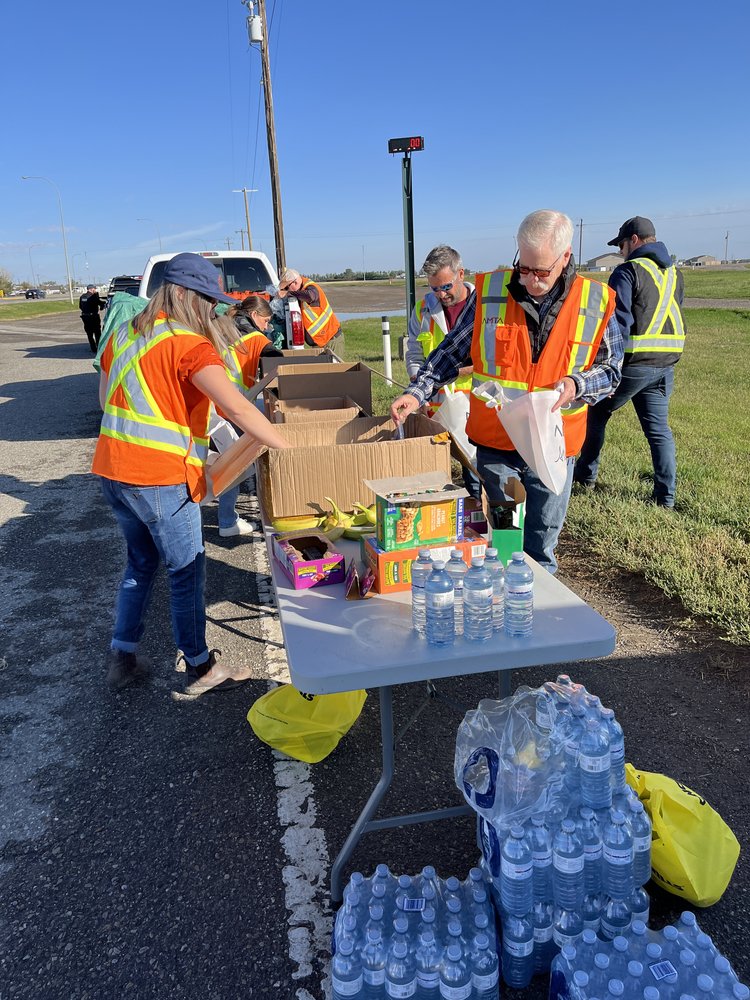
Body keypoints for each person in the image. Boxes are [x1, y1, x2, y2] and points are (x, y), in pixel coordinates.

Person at [92, 253, 291, 695]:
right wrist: (290, 451)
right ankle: (200, 668)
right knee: (187, 570)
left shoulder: (124, 334)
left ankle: (122, 654)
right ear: (182, 294)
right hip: (160, 478)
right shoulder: (189, 344)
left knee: (141, 563)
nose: (213, 309)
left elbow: (106, 401)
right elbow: (237, 409)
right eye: (208, 300)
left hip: (113, 470)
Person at [390, 210, 623, 573]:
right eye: (523, 267)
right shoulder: (492, 293)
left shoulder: (595, 301)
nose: (530, 280)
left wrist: (577, 384)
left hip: (553, 447)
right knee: (506, 540)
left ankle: (538, 597)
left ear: (565, 257)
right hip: (498, 445)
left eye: (541, 271)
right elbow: (450, 353)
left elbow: (611, 370)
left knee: (541, 543)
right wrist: (417, 392)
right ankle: (507, 591)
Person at [574, 217, 686, 508]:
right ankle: (666, 498)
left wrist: (608, 368)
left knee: (596, 414)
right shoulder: (674, 272)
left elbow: (617, 323)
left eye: (621, 245)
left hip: (633, 364)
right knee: (658, 431)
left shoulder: (627, 271)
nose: (620, 251)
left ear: (634, 240)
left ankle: (584, 477)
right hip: (665, 364)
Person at [405, 245, 481, 500]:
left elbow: (494, 359)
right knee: (436, 468)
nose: (441, 294)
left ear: (461, 274)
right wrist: (417, 386)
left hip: (475, 401)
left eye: (446, 286)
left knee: (475, 466)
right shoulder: (422, 310)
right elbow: (414, 353)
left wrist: (459, 371)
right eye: (434, 288)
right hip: (436, 403)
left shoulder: (483, 307)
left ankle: (480, 509)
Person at [214, 295, 283, 538]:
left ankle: (224, 516)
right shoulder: (255, 337)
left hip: (211, 404)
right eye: (265, 321)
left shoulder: (225, 326)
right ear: (254, 315)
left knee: (222, 462)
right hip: (230, 407)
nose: (267, 326)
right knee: (234, 466)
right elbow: (277, 361)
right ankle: (227, 522)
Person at [275, 267, 343, 354]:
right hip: (320, 342)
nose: (286, 290)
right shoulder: (300, 291)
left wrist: (288, 293)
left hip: (331, 340)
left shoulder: (311, 287)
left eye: (287, 287)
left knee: (335, 363)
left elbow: (311, 296)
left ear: (295, 282)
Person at [79, 283, 106, 353]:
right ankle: (99, 348)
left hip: (85, 317)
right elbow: (100, 303)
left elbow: (80, 306)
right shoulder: (93, 296)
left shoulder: (82, 297)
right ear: (91, 289)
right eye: (94, 289)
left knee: (89, 333)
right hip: (93, 316)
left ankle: (93, 348)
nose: (95, 290)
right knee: (97, 332)